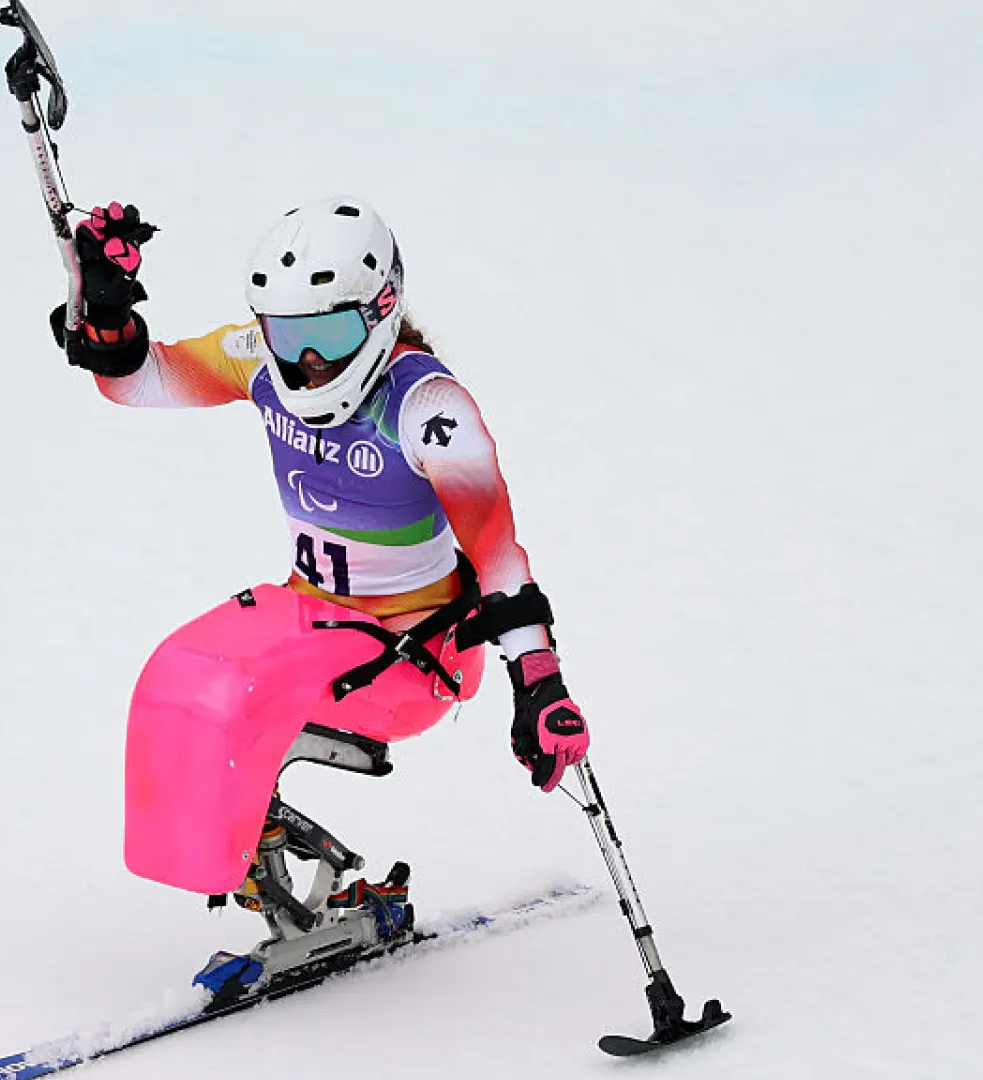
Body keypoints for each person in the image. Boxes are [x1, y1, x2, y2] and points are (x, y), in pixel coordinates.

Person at [50, 195, 588, 964]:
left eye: (328, 334)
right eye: (286, 333)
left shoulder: (428, 407)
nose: (306, 360)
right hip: (315, 624)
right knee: (177, 678)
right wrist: (106, 320)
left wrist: (539, 683)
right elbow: (139, 381)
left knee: (217, 679)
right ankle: (274, 881)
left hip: (413, 657)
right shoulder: (257, 359)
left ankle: (280, 880)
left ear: (380, 312)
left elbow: (498, 552)